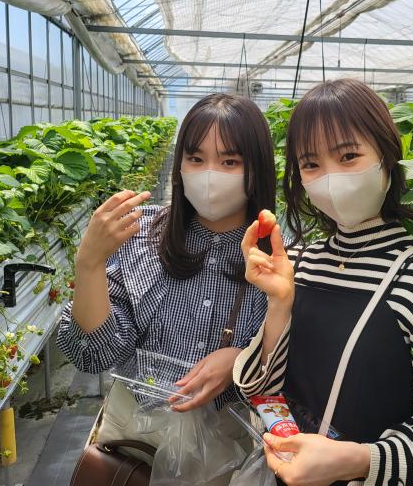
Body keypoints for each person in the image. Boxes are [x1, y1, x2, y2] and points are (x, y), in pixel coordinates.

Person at [235, 79, 413, 486]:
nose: (330, 179)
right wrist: (279, 304)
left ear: (387, 156)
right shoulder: (299, 262)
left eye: (348, 156)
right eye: (311, 164)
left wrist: (356, 460)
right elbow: (264, 392)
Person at [57, 93, 276, 431]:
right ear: (179, 165)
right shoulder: (139, 233)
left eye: (230, 162)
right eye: (196, 159)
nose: (209, 175)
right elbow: (94, 355)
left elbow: (292, 367)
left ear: (257, 169)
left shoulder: (279, 259)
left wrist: (241, 361)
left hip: (230, 443)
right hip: (134, 436)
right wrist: (88, 264)